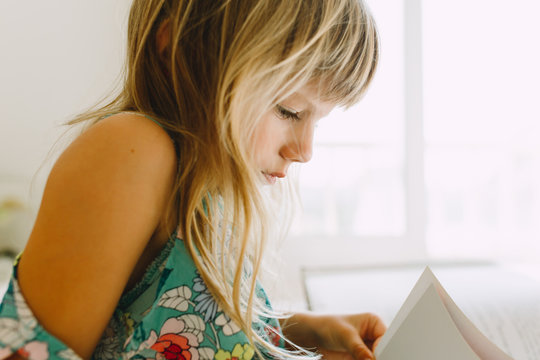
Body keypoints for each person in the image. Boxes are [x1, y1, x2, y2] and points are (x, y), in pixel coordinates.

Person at [0, 0, 385, 359]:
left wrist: (310, 331)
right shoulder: (132, 150)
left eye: (319, 120)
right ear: (180, 50)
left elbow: (191, 327)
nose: (305, 151)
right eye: (289, 110)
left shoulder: (206, 199)